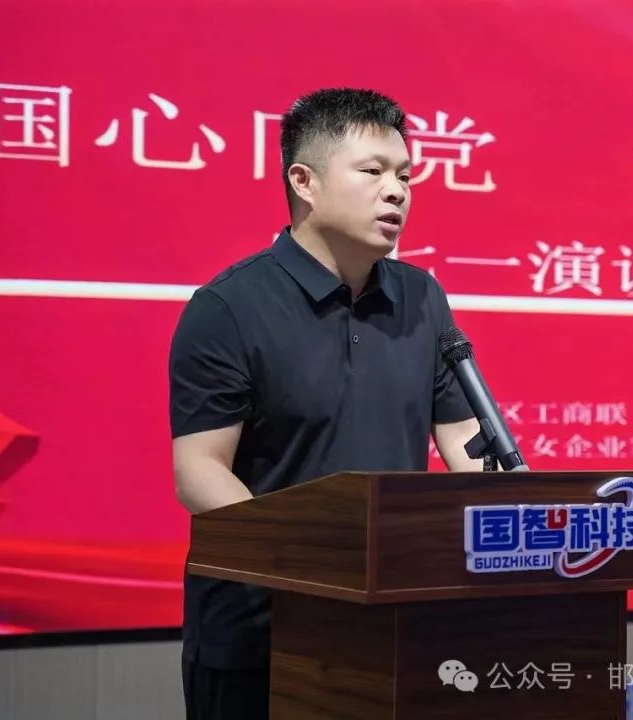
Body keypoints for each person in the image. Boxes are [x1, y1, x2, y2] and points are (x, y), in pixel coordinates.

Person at [168, 88, 482, 720]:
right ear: (304, 181)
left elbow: (464, 441)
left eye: (405, 176)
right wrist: (316, 556)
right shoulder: (229, 307)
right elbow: (199, 469)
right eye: (373, 171)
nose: (396, 192)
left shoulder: (422, 297)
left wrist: (504, 521)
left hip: (387, 618)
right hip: (260, 629)